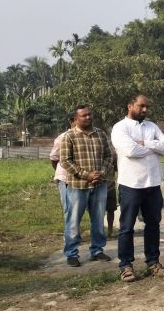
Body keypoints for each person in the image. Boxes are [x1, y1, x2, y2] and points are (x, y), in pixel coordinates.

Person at [111, 95, 164, 282]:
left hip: (153, 183)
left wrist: (145, 144)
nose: (145, 110)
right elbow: (130, 151)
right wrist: (155, 147)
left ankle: (153, 263)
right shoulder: (120, 127)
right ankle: (126, 266)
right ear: (130, 106)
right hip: (131, 184)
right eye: (141, 106)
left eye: (147, 107)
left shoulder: (151, 126)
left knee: (153, 225)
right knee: (127, 227)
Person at [60, 105, 115, 267]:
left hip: (99, 184)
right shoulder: (69, 136)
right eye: (84, 116)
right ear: (76, 119)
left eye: (90, 114)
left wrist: (101, 173)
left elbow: (108, 155)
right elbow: (65, 161)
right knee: (73, 221)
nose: (88, 117)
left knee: (98, 220)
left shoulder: (100, 134)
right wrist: (87, 175)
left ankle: (97, 250)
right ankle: (71, 253)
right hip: (78, 186)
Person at [50, 114, 75, 213]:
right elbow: (54, 157)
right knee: (68, 208)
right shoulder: (62, 137)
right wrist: (61, 170)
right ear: (72, 122)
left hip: (81, 178)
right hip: (65, 178)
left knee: (77, 209)